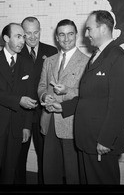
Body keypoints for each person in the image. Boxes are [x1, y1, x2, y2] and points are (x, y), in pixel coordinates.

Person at [45, 10, 124, 184]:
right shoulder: (97, 55)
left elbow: (119, 105)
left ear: (103, 29)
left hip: (101, 141)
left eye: (89, 29)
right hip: (87, 139)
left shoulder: (118, 57)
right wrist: (64, 107)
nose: (86, 34)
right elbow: (88, 97)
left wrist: (106, 140)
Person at [0, 23, 37, 184]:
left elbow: (30, 94)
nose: (23, 41)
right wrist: (18, 100)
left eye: (23, 37)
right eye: (18, 36)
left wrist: (26, 126)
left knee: (9, 174)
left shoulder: (27, 63)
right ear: (6, 38)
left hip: (16, 128)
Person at [38, 19, 89, 184]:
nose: (66, 39)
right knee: (50, 172)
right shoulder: (49, 60)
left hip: (72, 123)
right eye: (62, 34)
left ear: (76, 35)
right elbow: (42, 86)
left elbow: (88, 95)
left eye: (70, 34)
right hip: (49, 121)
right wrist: (44, 96)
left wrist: (67, 91)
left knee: (73, 173)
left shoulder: (87, 62)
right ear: (57, 38)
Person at [15, 16, 57, 184]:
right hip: (20, 113)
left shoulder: (52, 51)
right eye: (27, 33)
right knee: (18, 157)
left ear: (40, 31)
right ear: (22, 33)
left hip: (43, 113)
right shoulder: (16, 50)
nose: (32, 37)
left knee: (45, 158)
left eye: (36, 32)